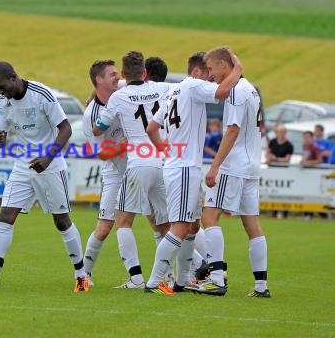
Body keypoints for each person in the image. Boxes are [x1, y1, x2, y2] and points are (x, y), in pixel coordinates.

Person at [0, 61, 89, 292]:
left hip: (50, 164)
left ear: (13, 77)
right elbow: (0, 139)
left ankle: (81, 275)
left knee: (61, 220)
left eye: (2, 87)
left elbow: (66, 128)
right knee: (5, 215)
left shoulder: (42, 94)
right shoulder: (2, 103)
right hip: (22, 164)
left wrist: (48, 157)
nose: (2, 93)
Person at [145, 50, 242, 294]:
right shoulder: (192, 86)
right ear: (196, 71)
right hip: (185, 167)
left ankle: (182, 280)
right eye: (207, 71)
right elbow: (222, 92)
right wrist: (237, 69)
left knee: (190, 227)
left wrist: (164, 148)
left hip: (177, 165)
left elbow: (151, 128)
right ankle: (155, 283)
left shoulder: (172, 91)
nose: (210, 76)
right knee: (179, 227)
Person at [186, 47, 270, 298]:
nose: (210, 74)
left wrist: (215, 166)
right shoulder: (252, 89)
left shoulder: (235, 92)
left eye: (211, 69)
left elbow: (232, 131)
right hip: (252, 166)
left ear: (224, 65)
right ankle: (261, 287)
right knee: (252, 224)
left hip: (234, 166)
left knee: (209, 216)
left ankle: (215, 279)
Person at [93, 51, 172, 290]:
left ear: (124, 75)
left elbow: (99, 129)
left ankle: (136, 279)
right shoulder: (163, 89)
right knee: (166, 224)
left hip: (138, 163)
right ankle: (168, 278)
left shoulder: (120, 96)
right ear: (145, 73)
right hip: (163, 162)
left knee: (123, 222)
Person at [81, 59, 124, 286]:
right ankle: (84, 273)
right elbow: (102, 154)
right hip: (115, 172)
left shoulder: (125, 89)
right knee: (105, 226)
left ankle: (198, 266)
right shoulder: (90, 115)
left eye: (117, 74)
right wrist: (126, 145)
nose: (117, 78)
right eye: (112, 75)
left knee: (163, 221)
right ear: (99, 80)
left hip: (142, 167)